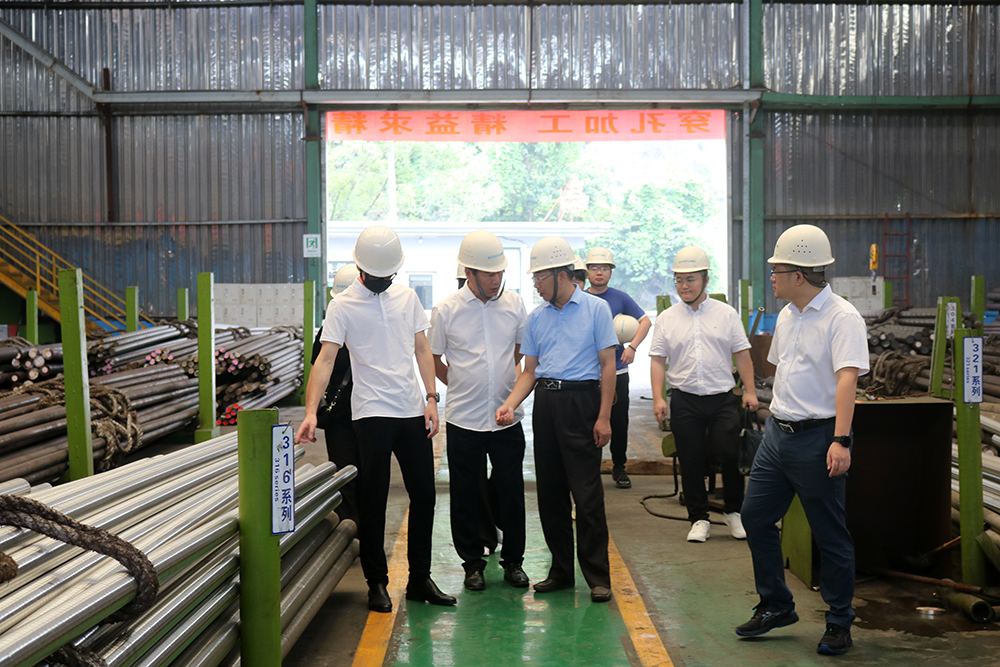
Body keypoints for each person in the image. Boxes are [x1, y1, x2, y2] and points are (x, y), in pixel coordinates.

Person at [295, 225, 456, 614]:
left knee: (424, 495)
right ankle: (377, 582)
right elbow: (325, 360)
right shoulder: (342, 306)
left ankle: (420, 579)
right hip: (370, 414)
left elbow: (422, 349)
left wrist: (431, 398)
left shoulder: (407, 298)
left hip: (411, 411)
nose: (384, 282)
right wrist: (311, 411)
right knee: (373, 499)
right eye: (378, 276)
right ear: (360, 268)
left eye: (389, 276)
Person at [735, 224, 868, 656]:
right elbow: (783, 370)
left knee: (829, 534)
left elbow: (847, 380)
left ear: (798, 274)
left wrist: (841, 440)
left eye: (776, 270)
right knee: (755, 517)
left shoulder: (842, 318)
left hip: (818, 438)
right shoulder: (789, 315)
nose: (771, 277)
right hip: (779, 435)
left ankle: (839, 621)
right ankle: (776, 604)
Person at [496, 236, 618, 603]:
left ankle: (597, 576)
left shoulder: (596, 310)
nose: (535, 284)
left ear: (560, 275)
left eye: (539, 277)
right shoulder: (537, 318)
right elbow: (529, 371)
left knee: (587, 494)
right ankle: (561, 571)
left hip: (583, 402)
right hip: (547, 404)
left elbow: (608, 366)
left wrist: (604, 417)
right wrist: (510, 404)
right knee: (550, 493)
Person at [430, 230, 529, 591]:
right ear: (469, 273)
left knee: (511, 491)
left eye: (500, 272)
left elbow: (519, 351)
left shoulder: (515, 304)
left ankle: (513, 561)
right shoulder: (446, 310)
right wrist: (458, 382)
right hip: (464, 419)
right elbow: (433, 358)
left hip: (506, 419)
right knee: (465, 495)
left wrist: (506, 391)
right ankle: (472, 563)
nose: (496, 279)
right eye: (489, 274)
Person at [648, 246, 758, 543]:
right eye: (679, 280)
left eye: (690, 280)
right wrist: (659, 398)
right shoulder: (667, 319)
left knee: (731, 455)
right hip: (685, 399)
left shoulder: (726, 314)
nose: (684, 286)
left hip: (722, 399)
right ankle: (699, 519)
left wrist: (750, 391)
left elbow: (742, 354)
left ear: (706, 280)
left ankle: (734, 512)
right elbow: (657, 360)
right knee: (691, 459)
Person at [585, 246, 652, 489]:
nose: (599, 272)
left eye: (604, 268)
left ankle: (619, 467)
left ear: (610, 272)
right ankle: (589, 468)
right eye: (594, 268)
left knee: (618, 422)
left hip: (617, 372)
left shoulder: (620, 298)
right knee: (588, 421)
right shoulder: (580, 298)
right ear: (587, 271)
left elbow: (645, 321)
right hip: (588, 374)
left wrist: (632, 347)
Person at [309, 264, 362, 526]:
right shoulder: (327, 331)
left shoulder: (374, 329)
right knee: (344, 475)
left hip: (371, 414)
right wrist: (310, 411)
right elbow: (318, 368)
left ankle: (366, 532)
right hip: (340, 416)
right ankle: (350, 530)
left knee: (369, 476)